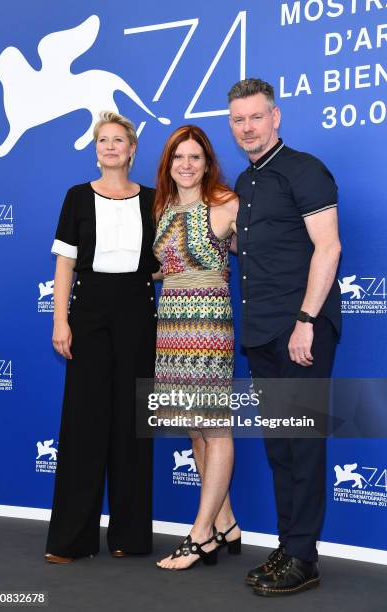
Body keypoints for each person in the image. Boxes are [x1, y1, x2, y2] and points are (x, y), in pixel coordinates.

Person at [228, 79, 341, 596]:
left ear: (275, 116)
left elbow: (328, 248)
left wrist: (305, 321)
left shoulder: (305, 170)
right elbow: (257, 254)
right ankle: (289, 545)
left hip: (301, 332)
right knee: (279, 446)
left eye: (255, 117)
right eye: (237, 120)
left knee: (302, 443)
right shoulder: (246, 183)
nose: (247, 128)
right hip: (261, 333)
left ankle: (304, 557)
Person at [45, 111, 159, 563]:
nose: (110, 147)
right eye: (102, 141)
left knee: (133, 422)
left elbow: (159, 263)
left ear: (132, 149)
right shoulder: (76, 197)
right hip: (88, 310)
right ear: (96, 151)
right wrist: (60, 320)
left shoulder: (153, 199)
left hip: (136, 307)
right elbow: (65, 265)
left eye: (118, 141)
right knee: (84, 421)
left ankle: (129, 537)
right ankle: (71, 540)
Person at [153, 125, 241, 570]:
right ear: (168, 164)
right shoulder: (163, 207)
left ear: (208, 163)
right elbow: (161, 266)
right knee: (195, 427)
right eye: (178, 158)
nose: (186, 165)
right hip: (169, 322)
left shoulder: (224, 204)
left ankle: (201, 533)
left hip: (207, 324)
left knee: (215, 426)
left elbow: (257, 252)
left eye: (194, 157)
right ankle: (226, 522)